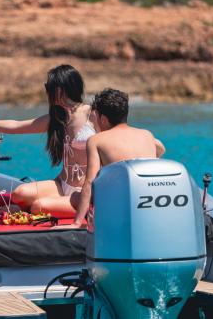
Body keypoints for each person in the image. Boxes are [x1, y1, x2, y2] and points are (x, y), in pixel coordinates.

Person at [0, 64, 98, 218]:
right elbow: (16, 126)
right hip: (62, 184)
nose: (47, 92)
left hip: (84, 192)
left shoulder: (92, 114)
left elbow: (113, 142)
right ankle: (51, 205)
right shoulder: (58, 118)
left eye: (48, 87)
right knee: (19, 193)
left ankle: (52, 207)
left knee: (38, 206)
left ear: (60, 89)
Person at [55, 88, 166, 229]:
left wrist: (77, 223)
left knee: (41, 205)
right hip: (149, 202)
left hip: (119, 206)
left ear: (103, 119)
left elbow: (89, 183)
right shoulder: (147, 135)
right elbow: (161, 149)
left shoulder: (96, 140)